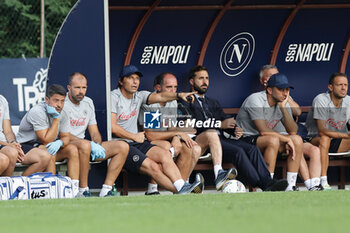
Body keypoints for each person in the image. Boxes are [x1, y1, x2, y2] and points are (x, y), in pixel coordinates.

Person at [178, 65, 288, 192]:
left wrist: (234, 129)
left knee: (252, 149)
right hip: (204, 141)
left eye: (207, 78)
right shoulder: (186, 101)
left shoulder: (212, 102)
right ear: (192, 82)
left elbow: (225, 121)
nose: (205, 82)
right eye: (200, 78)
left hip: (222, 139)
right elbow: (191, 126)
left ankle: (268, 181)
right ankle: (261, 185)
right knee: (238, 151)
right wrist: (219, 124)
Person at [110, 65, 204, 194]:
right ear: (121, 81)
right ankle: (165, 189)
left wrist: (179, 96)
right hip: (123, 144)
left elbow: (162, 98)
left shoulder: (140, 96)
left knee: (181, 149)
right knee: (163, 151)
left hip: (138, 142)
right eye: (131, 78)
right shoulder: (114, 97)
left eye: (137, 78)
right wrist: (134, 136)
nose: (135, 81)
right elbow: (115, 128)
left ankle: (183, 185)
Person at [64, 72, 129, 197]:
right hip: (67, 146)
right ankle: (83, 190)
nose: (80, 91)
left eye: (84, 88)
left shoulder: (88, 102)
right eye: (77, 87)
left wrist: (96, 144)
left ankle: (106, 190)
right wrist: (89, 145)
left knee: (123, 146)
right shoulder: (62, 103)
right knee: (85, 145)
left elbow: (94, 131)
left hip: (85, 147)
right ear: (69, 88)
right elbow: (63, 135)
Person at [259, 65, 322, 191]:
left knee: (314, 150)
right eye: (271, 76)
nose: (277, 79)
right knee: (295, 142)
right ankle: (308, 185)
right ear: (264, 81)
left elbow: (298, 111)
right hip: (276, 139)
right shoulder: (260, 98)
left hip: (290, 136)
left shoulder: (284, 95)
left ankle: (315, 185)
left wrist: (286, 99)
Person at [138, 72, 202, 195]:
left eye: (175, 87)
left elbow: (171, 128)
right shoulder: (151, 103)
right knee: (165, 147)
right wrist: (177, 134)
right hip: (146, 141)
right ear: (158, 88)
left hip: (163, 137)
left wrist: (177, 137)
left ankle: (181, 188)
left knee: (188, 147)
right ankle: (152, 189)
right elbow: (150, 135)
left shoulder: (172, 102)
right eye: (169, 87)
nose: (173, 91)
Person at [237, 72, 303, 191]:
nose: (285, 93)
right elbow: (263, 130)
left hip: (266, 140)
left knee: (297, 140)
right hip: (246, 139)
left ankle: (290, 186)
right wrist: (286, 139)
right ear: (270, 90)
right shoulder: (255, 99)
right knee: (273, 140)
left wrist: (283, 108)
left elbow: (293, 131)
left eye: (287, 89)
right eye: (281, 89)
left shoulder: (282, 101)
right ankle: (268, 184)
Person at [16, 84, 81, 196]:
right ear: (47, 99)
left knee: (72, 150)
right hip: (26, 146)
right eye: (56, 100)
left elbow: (66, 137)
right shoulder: (37, 111)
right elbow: (46, 140)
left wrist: (60, 142)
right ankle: (51, 191)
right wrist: (56, 119)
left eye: (62, 101)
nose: (59, 105)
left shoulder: (63, 111)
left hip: (44, 145)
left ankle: (74, 191)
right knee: (49, 151)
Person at [305, 72, 350, 190]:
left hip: (338, 141)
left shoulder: (348, 101)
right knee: (325, 139)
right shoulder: (321, 99)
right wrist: (344, 135)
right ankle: (323, 181)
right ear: (330, 87)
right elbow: (322, 130)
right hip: (314, 140)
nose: (343, 88)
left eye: (346, 84)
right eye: (340, 85)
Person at [0, 95, 51, 176]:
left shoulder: (2, 100)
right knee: (12, 153)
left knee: (44, 157)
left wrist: (14, 143)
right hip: (4, 146)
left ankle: (20, 186)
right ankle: (7, 187)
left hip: (7, 145)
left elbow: (8, 131)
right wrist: (9, 145)